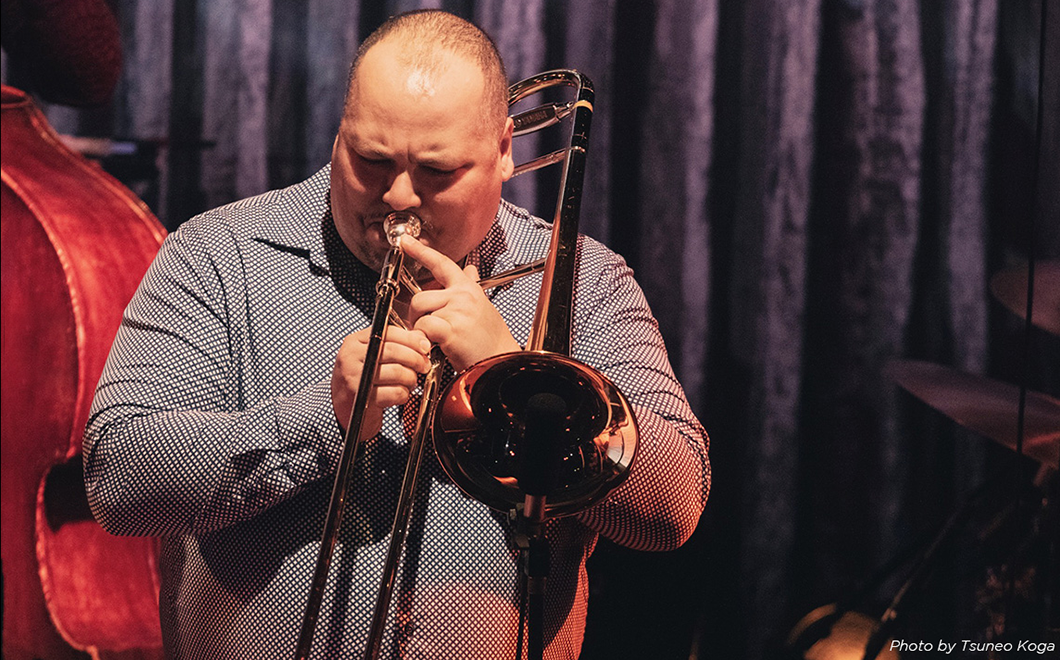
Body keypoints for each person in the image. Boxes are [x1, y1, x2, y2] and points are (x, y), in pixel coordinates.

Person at [84, 9, 709, 660]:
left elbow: (672, 510)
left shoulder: (587, 280)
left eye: (438, 172)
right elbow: (119, 482)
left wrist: (516, 372)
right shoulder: (219, 254)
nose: (398, 198)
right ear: (338, 138)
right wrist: (320, 422)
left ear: (503, 153)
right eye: (372, 161)